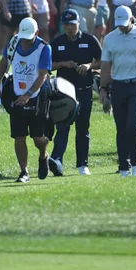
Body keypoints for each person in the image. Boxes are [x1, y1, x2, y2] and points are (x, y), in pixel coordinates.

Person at [99, 6, 136, 177]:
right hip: (118, 86)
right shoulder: (110, 39)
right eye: (119, 24)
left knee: (134, 125)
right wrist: (103, 88)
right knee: (122, 128)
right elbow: (105, 65)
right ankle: (124, 167)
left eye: (125, 24)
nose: (122, 27)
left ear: (132, 19)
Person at [0, 18, 52, 183]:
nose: (25, 40)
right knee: (19, 136)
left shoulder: (44, 48)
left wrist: (28, 95)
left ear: (37, 33)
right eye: (23, 36)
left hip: (37, 96)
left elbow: (42, 75)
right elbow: (3, 65)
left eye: (29, 37)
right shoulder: (13, 43)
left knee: (38, 138)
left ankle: (43, 155)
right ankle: (24, 172)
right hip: (17, 94)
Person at [48, 10, 102, 176]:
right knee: (62, 126)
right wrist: (63, 64)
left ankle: (82, 164)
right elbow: (48, 65)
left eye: (72, 24)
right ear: (62, 25)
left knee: (82, 128)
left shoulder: (89, 40)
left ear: (79, 23)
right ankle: (57, 161)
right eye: (66, 24)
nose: (69, 28)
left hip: (84, 91)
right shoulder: (57, 42)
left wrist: (88, 66)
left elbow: (103, 61)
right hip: (63, 93)